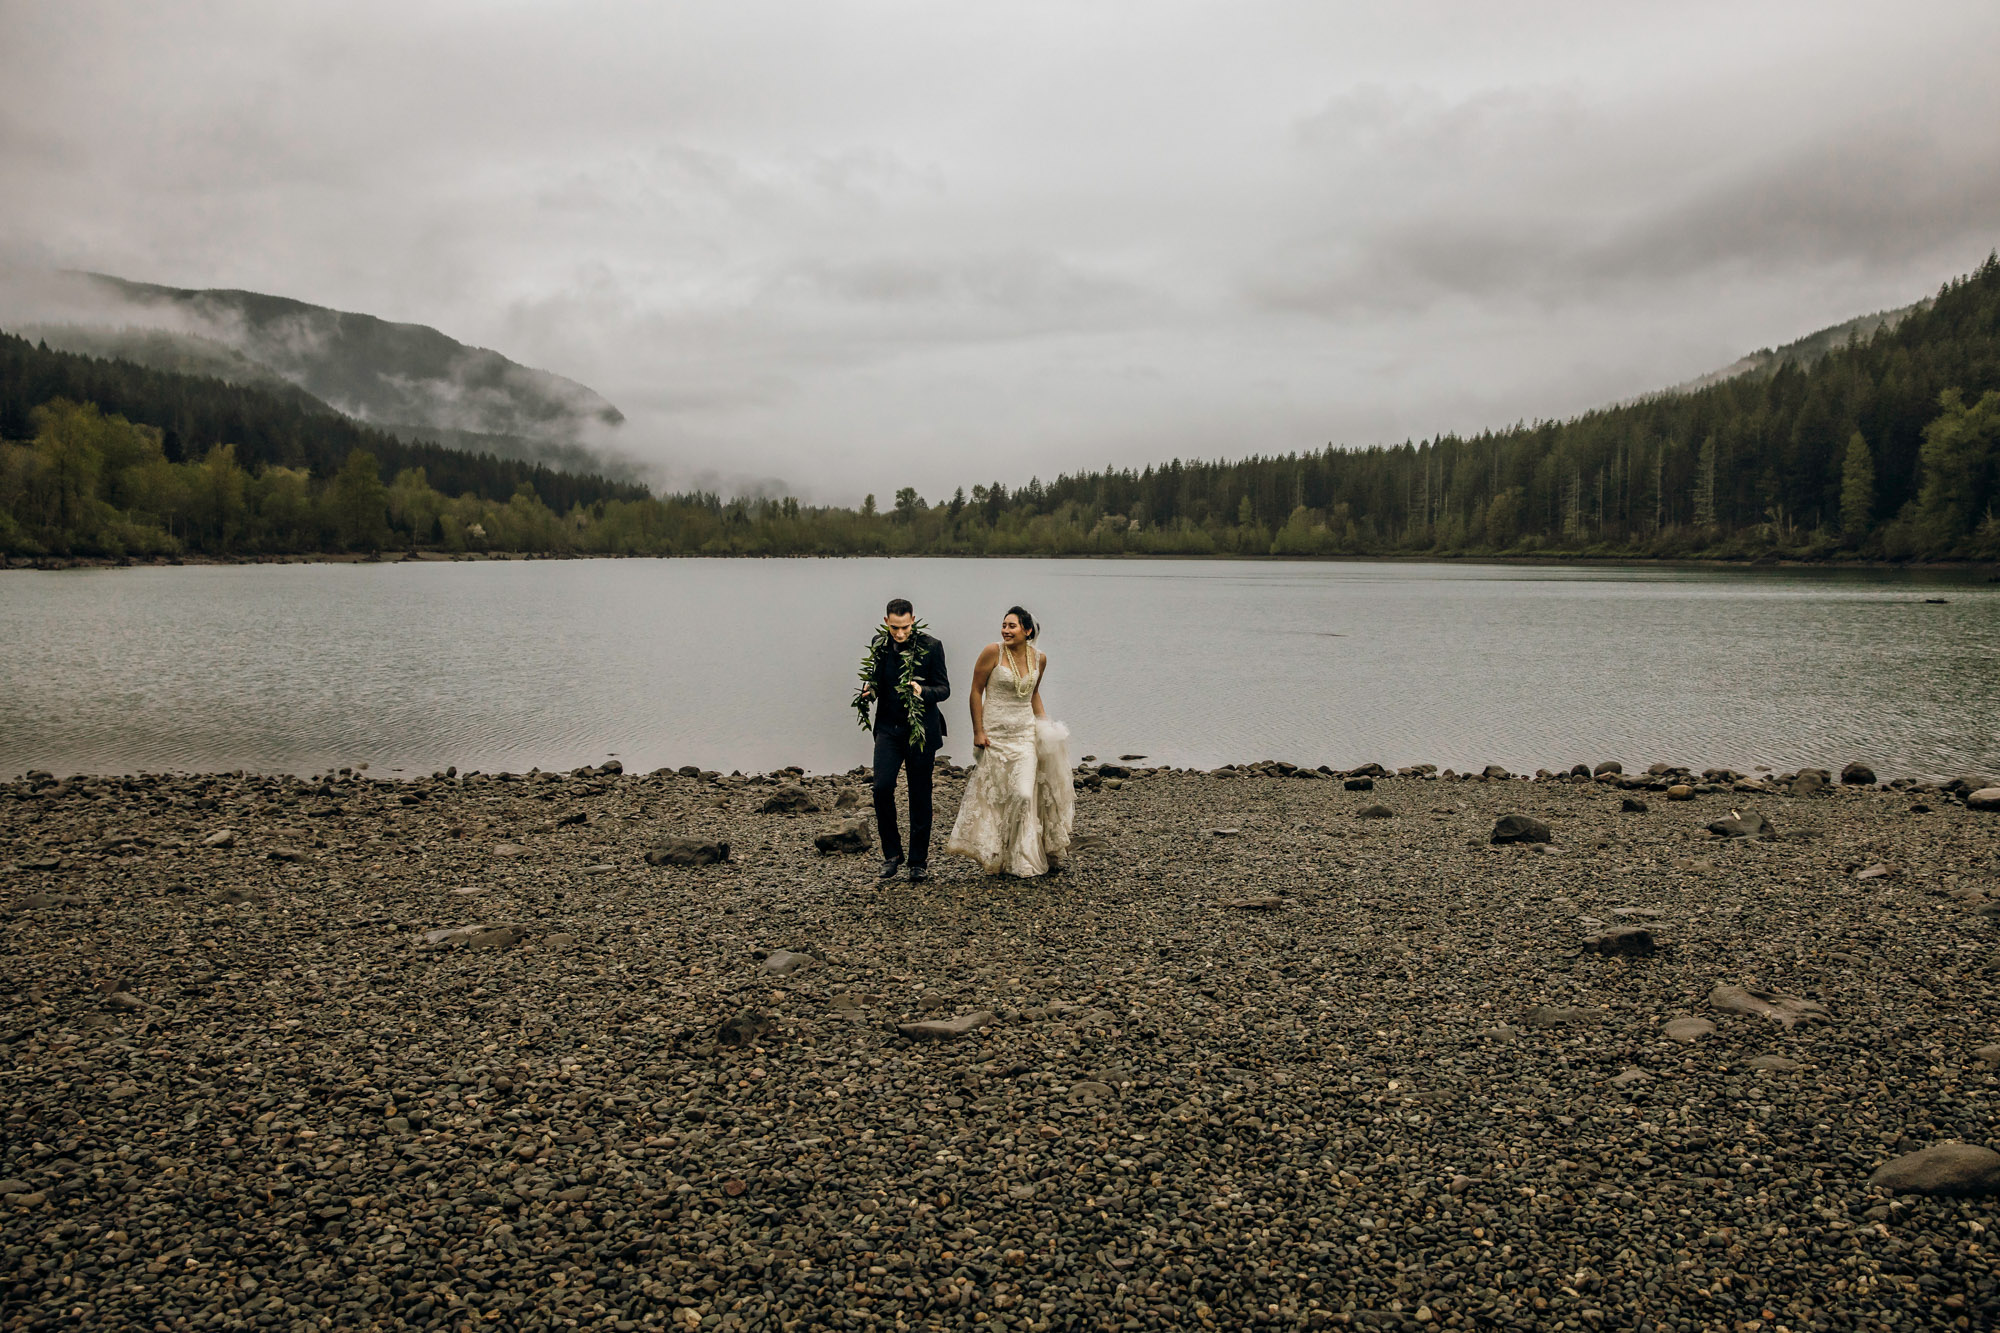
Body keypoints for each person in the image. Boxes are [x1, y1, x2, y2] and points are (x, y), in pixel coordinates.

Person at [945, 605, 1074, 877]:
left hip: (1024, 734)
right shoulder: (992, 652)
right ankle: (999, 854)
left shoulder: (1040, 659)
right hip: (995, 736)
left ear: (1027, 631)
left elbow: (1033, 693)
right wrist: (977, 731)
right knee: (999, 795)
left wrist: (1045, 725)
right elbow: (975, 691)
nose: (1005, 630)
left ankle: (1022, 856)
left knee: (1023, 794)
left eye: (1012, 626)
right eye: (1004, 624)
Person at [858, 598, 951, 882]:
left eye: (905, 627)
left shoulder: (931, 646)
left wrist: (922, 690)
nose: (900, 634)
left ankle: (917, 862)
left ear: (914, 620)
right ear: (886, 621)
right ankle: (892, 855)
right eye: (895, 628)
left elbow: (944, 689)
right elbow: (876, 680)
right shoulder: (879, 643)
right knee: (881, 789)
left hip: (920, 731)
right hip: (887, 728)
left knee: (919, 795)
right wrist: (869, 690)